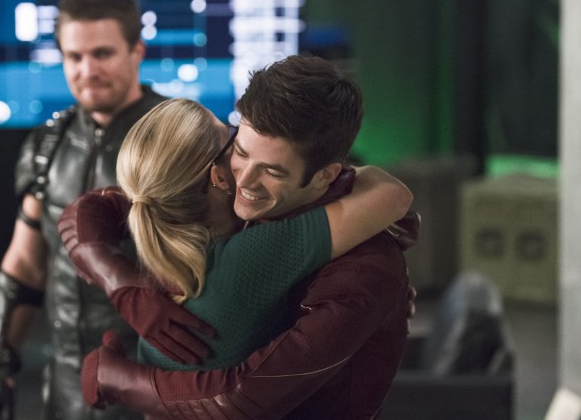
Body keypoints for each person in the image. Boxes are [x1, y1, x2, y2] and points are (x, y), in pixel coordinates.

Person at [60, 54, 419, 419]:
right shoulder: (213, 209)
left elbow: (243, 397)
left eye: (272, 171)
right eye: (240, 151)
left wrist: (122, 379)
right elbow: (92, 209)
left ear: (325, 175)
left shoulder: (361, 268)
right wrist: (122, 285)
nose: (244, 181)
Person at [98, 97, 410, 373]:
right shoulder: (248, 256)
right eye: (233, 140)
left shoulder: (160, 252)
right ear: (219, 177)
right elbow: (393, 194)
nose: (241, 147)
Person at [0, 0, 170, 419]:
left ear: (137, 51)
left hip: (151, 384)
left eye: (102, 53)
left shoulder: (174, 139)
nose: (87, 71)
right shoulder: (46, 146)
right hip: (65, 386)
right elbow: (25, 266)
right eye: (74, 56)